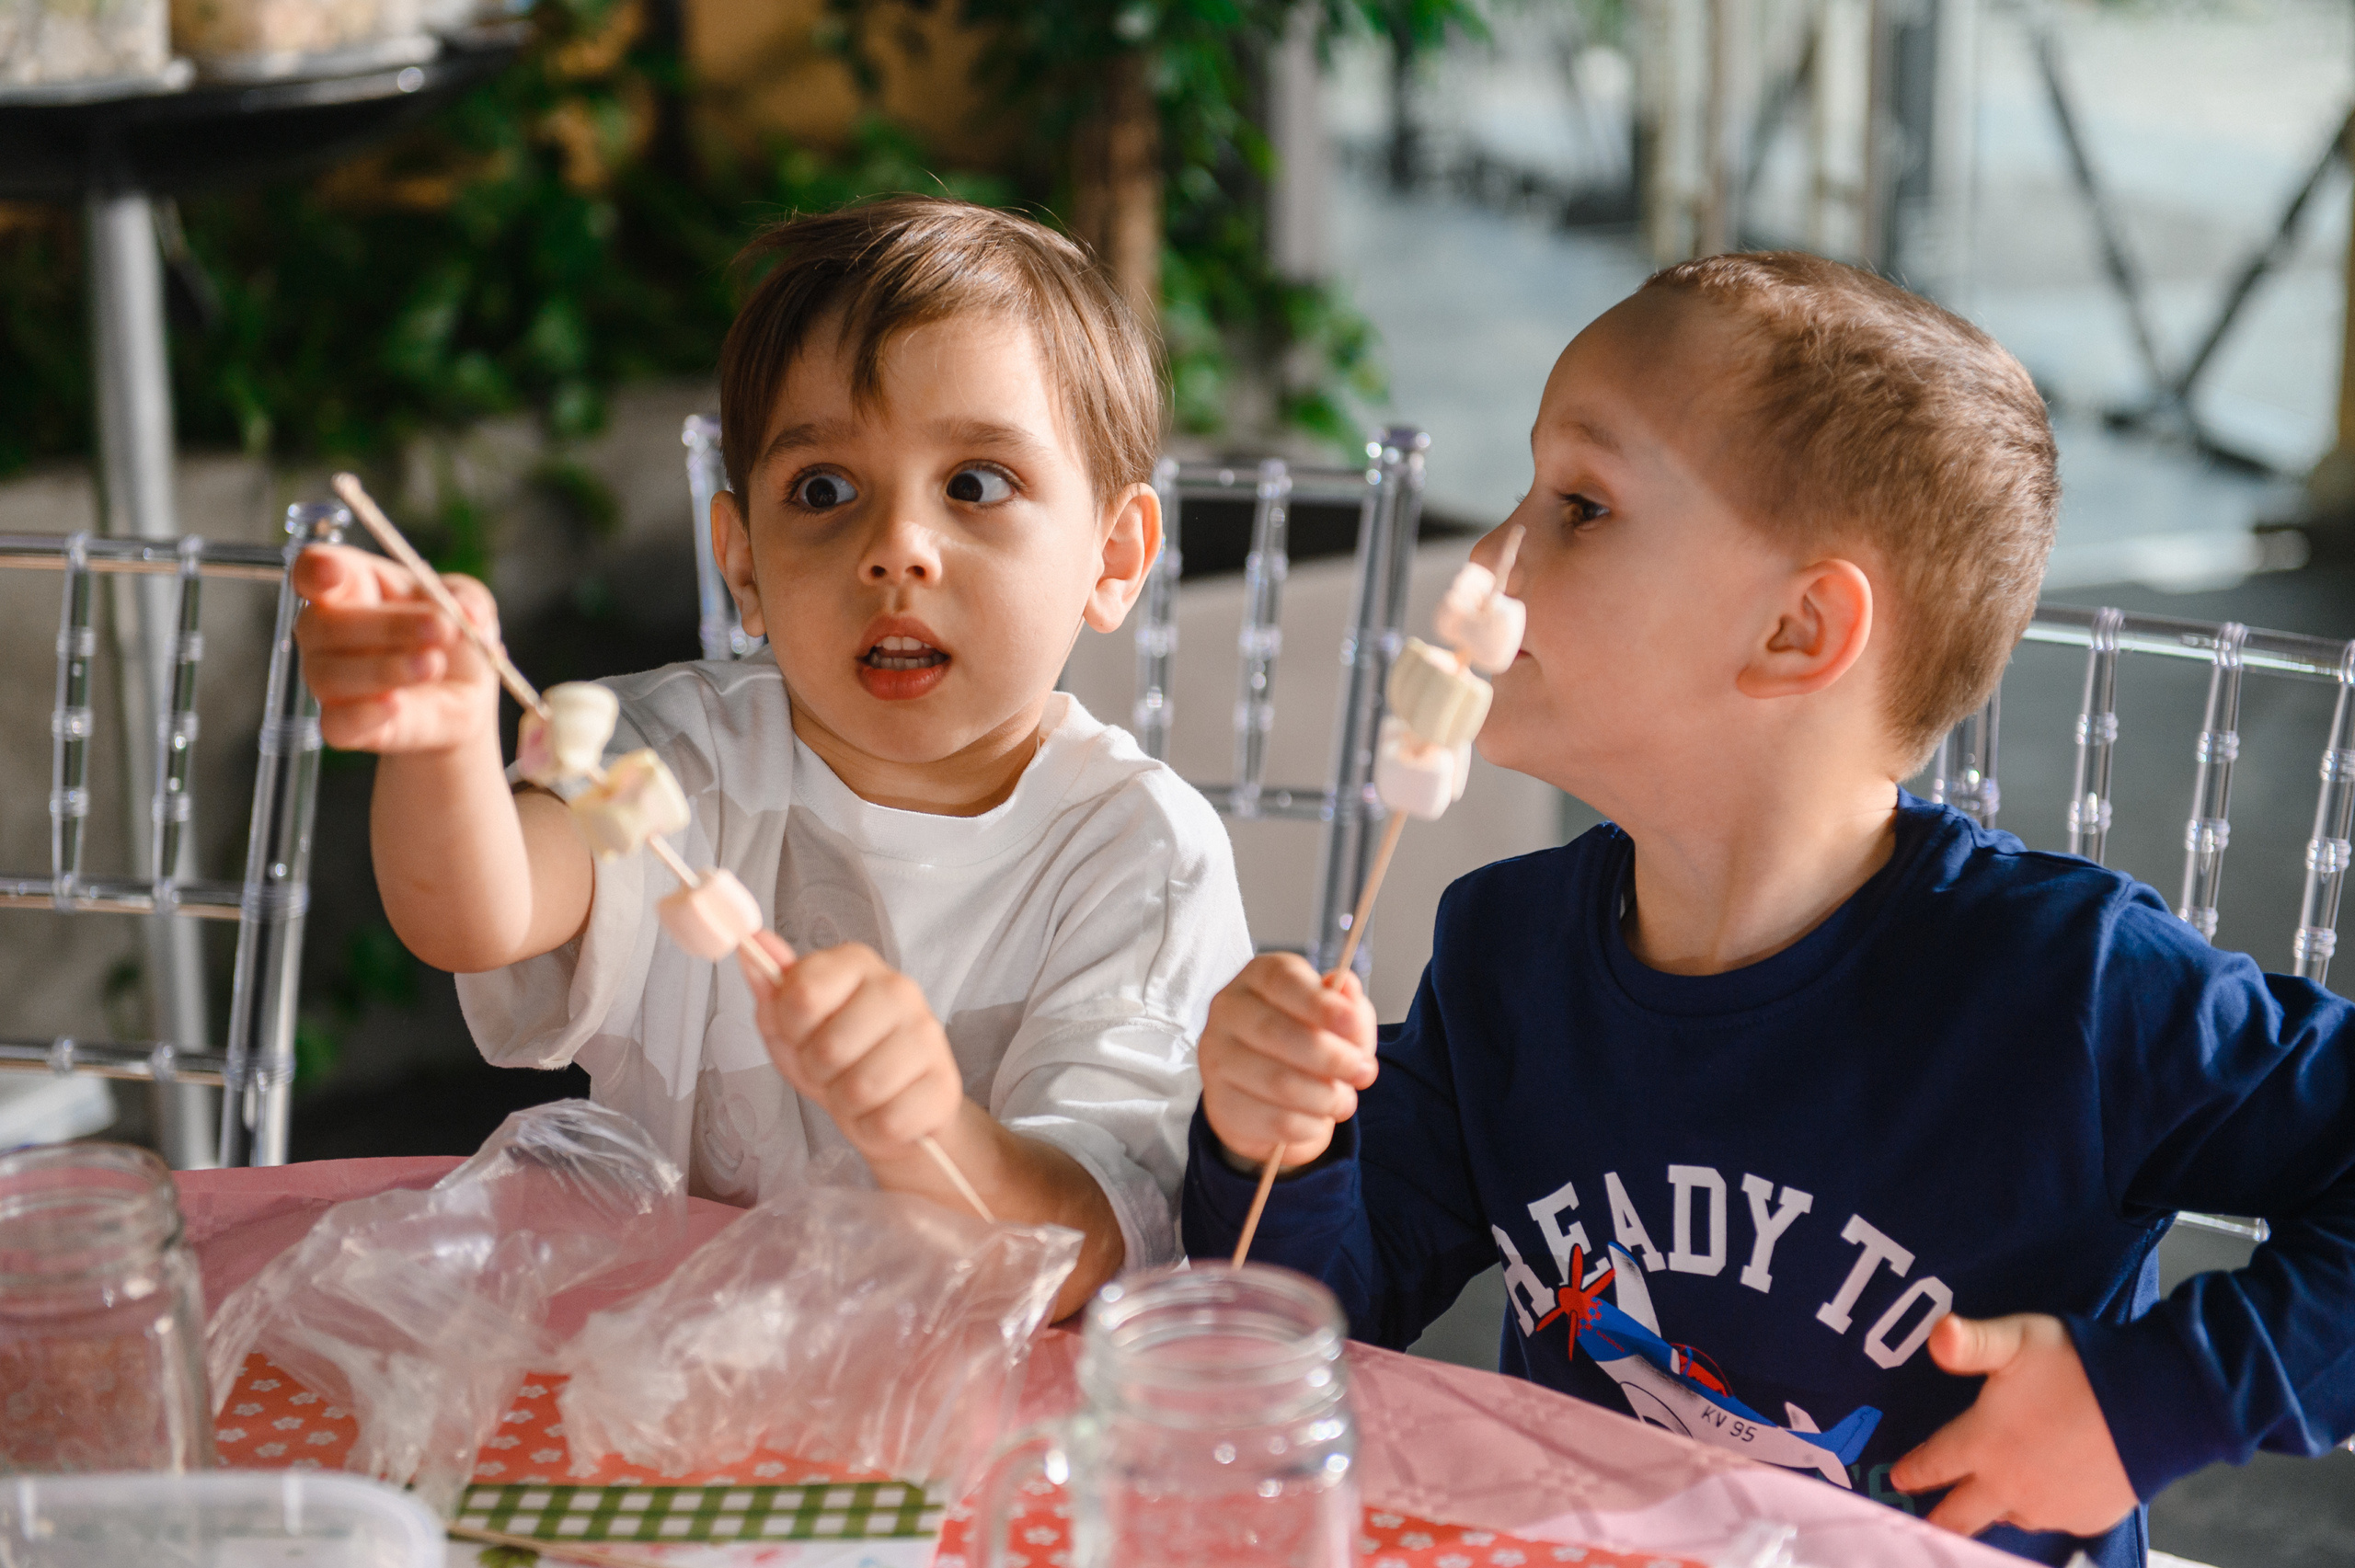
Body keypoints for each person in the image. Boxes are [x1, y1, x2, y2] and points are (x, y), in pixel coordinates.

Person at [1180, 252, 2355, 1567]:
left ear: (1798, 630)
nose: (1497, 554)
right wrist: (1264, 1142)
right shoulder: (1502, 956)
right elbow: (1309, 1324)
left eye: (1580, 504)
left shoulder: (2067, 989)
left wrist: (2146, 1404)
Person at [293, 196, 1251, 1318]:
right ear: (742, 560)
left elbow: (1094, 1239)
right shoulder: (677, 760)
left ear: (1115, 551)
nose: (896, 546)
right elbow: (475, 912)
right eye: (824, 490)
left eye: (977, 484)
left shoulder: (1139, 853)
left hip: (995, 1433)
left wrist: (928, 1128)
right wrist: (444, 740)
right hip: (677, 1392)